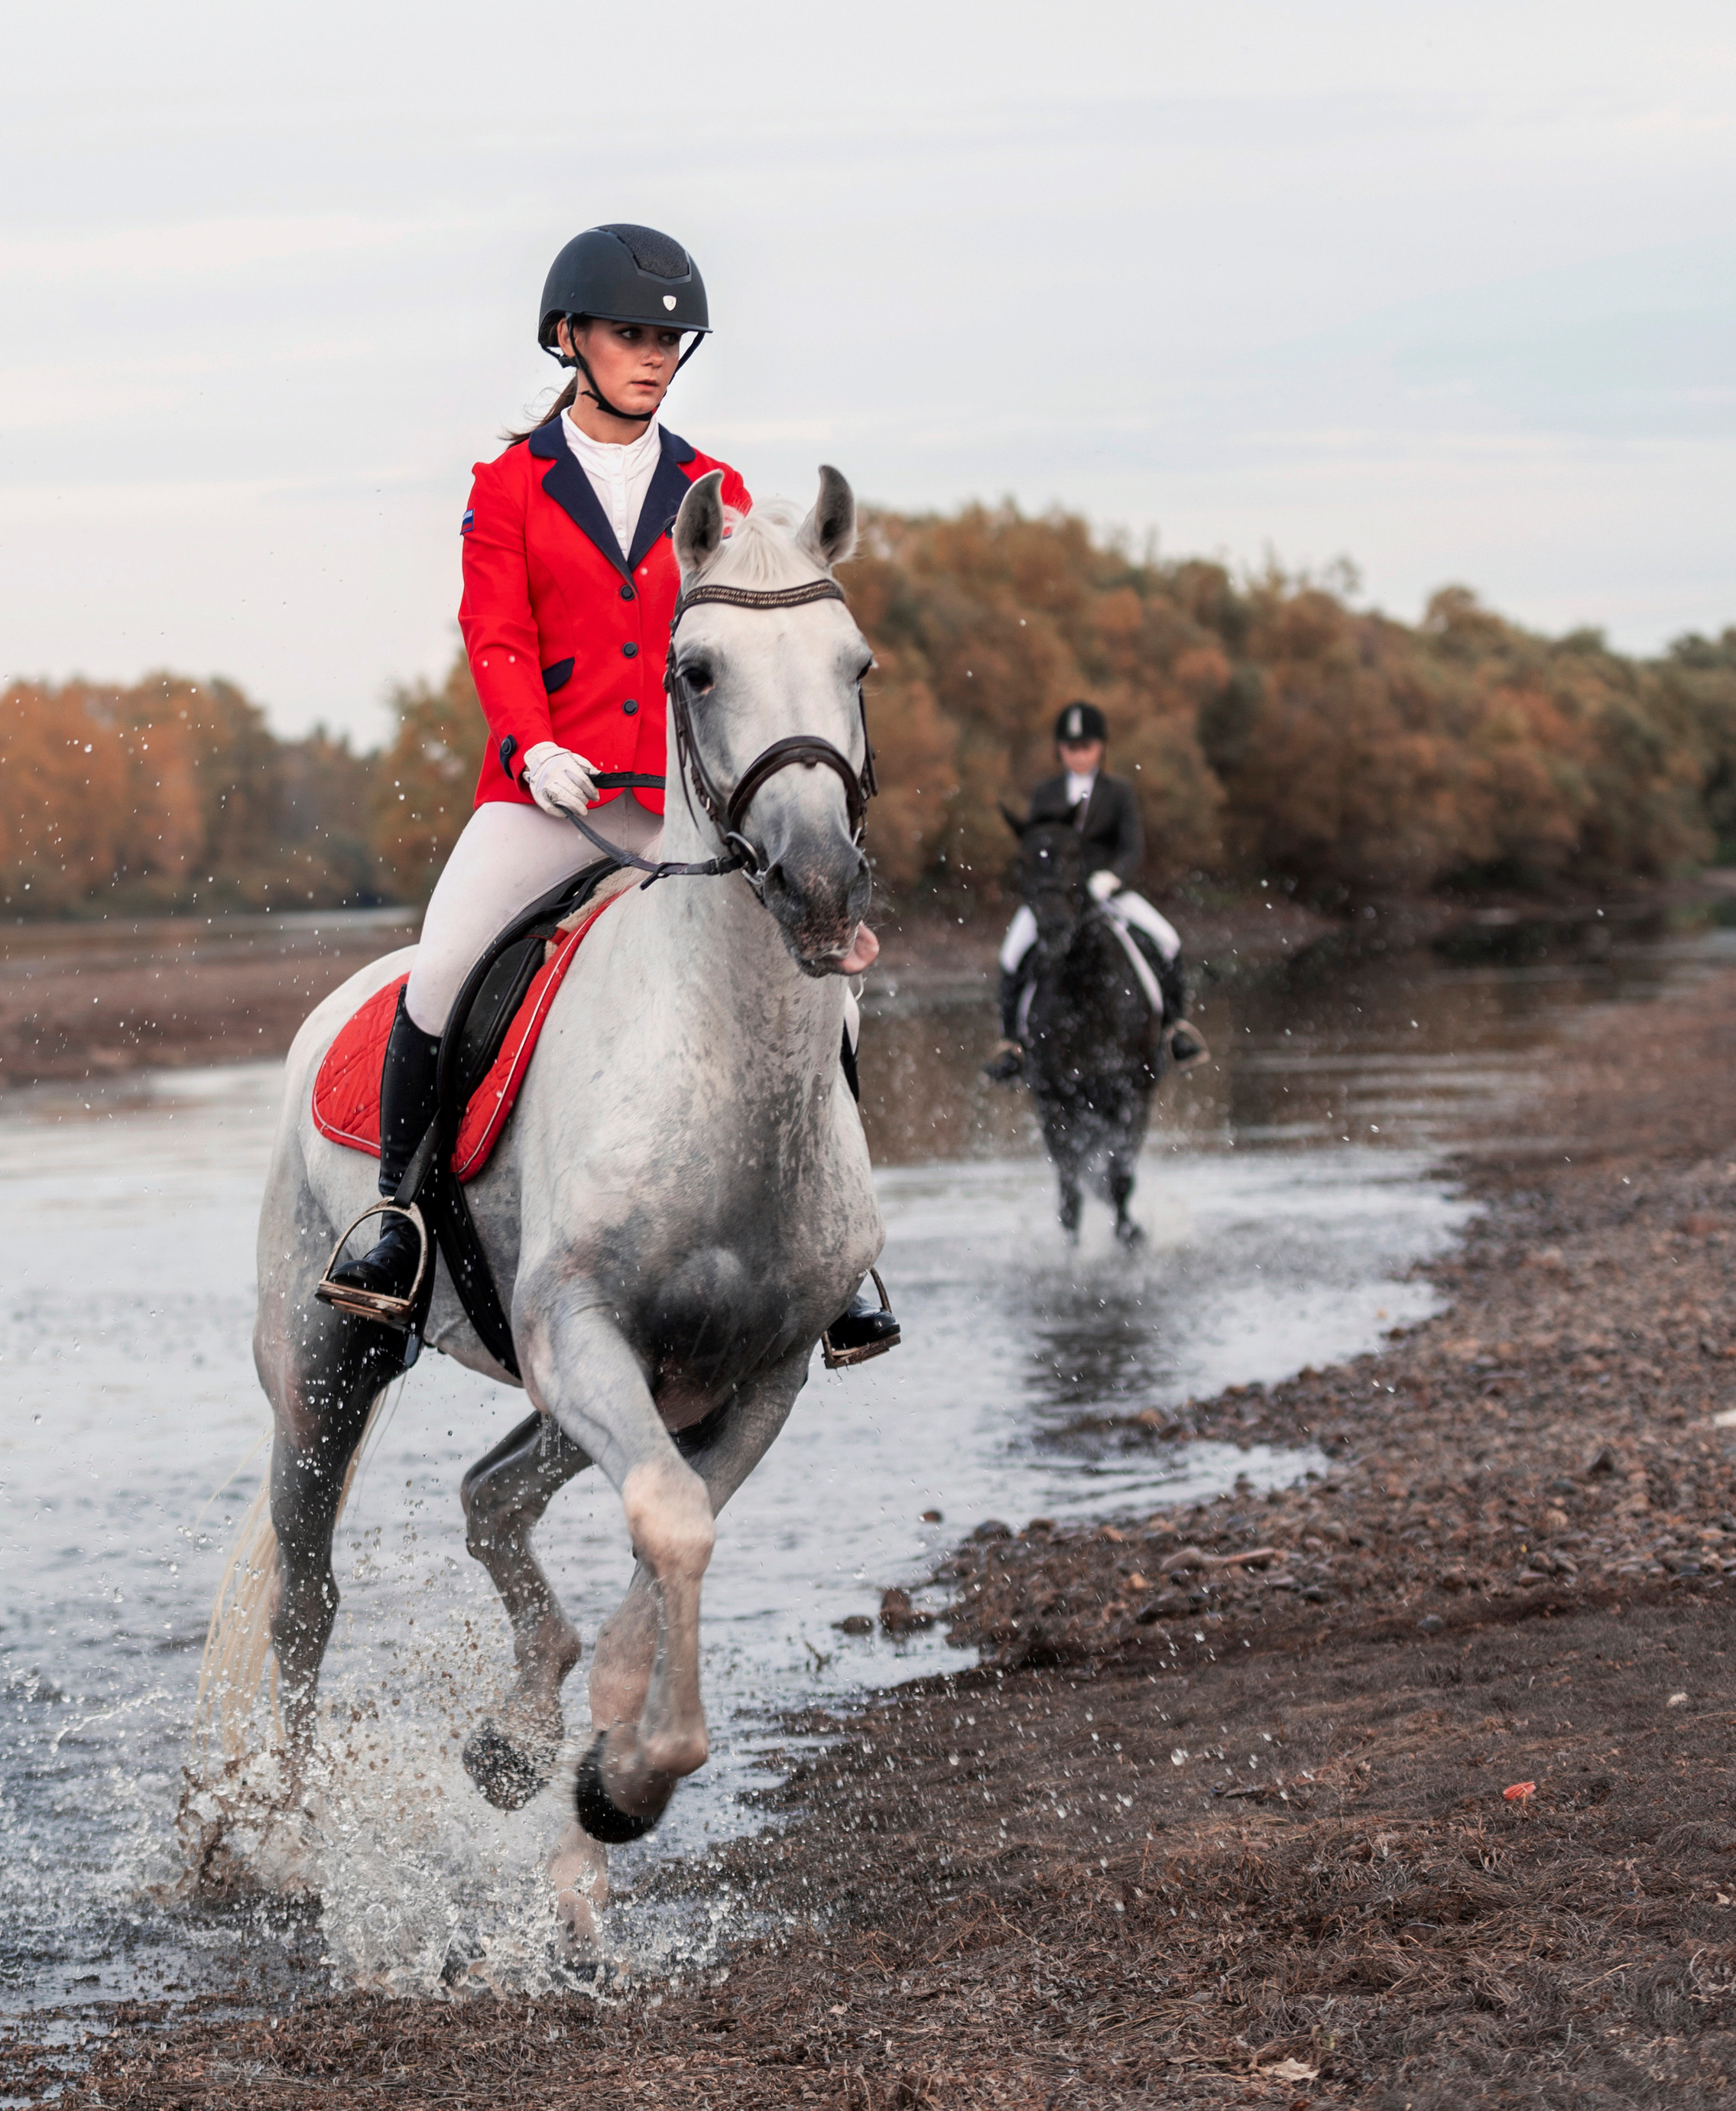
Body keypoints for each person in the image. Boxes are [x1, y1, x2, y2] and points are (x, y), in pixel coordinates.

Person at [326, 222, 900, 1362]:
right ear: (569, 339)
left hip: (680, 806)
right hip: (545, 796)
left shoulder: (714, 486)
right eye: (632, 335)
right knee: (442, 968)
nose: (654, 355)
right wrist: (531, 743)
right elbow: (493, 633)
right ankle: (395, 1217)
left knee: (826, 978)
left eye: (669, 340)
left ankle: (840, 1248)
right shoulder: (510, 486)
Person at [991, 700, 1208, 1073]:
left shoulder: (1118, 791)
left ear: (1101, 747)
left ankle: (1174, 1028)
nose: (1078, 755)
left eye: (1085, 747)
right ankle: (1012, 1044)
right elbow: (1037, 846)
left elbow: (1132, 847)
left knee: (1168, 939)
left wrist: (1112, 876)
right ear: (1060, 749)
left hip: (1108, 893)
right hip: (1057, 897)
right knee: (1012, 955)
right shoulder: (1046, 793)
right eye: (1070, 747)